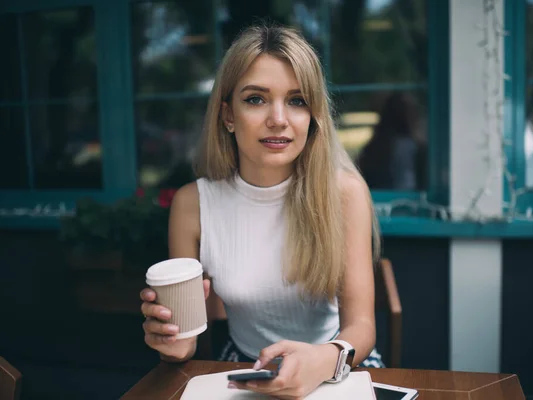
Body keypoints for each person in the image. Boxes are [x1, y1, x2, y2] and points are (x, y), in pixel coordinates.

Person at [140, 24, 383, 399]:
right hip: (245, 369)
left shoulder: (345, 194)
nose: (279, 119)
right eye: (256, 99)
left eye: (298, 100)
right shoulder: (193, 205)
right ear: (228, 115)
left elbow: (363, 326)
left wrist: (323, 359)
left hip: (337, 363)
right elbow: (184, 345)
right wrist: (171, 342)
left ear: (314, 115)